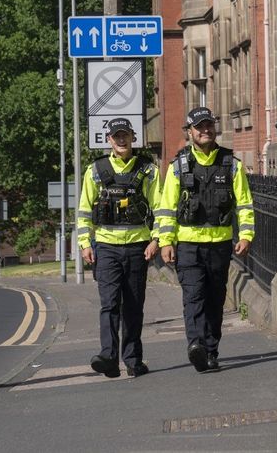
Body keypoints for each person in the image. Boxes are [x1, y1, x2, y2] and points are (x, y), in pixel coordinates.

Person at [157, 107, 255, 372]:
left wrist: (245, 235)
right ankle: (196, 345)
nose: (205, 130)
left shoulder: (231, 164)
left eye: (209, 125)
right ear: (190, 132)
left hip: (220, 245)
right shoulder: (178, 166)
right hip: (188, 245)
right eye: (199, 127)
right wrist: (166, 241)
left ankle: (211, 351)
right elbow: (166, 208)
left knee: (215, 299)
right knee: (194, 296)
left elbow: (244, 204)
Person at [77, 117, 160, 378]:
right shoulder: (95, 171)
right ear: (109, 140)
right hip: (105, 247)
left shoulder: (148, 170)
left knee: (133, 306)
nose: (121, 140)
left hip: (137, 247)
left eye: (125, 135)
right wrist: (84, 243)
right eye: (116, 136)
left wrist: (156, 239)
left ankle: (133, 360)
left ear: (132, 137)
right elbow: (84, 211)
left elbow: (160, 208)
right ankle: (108, 357)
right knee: (109, 304)